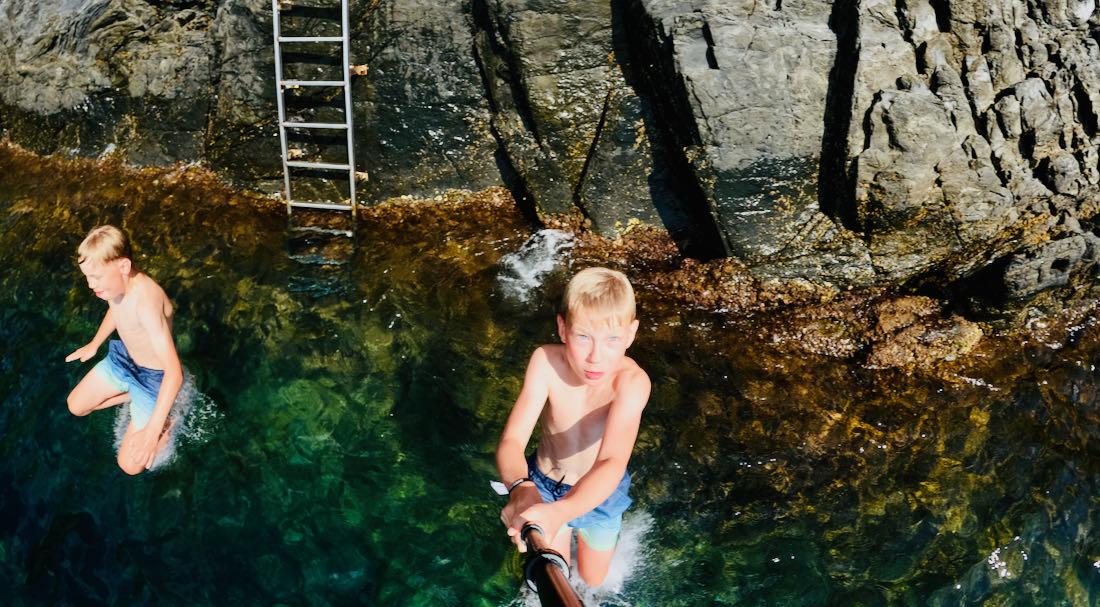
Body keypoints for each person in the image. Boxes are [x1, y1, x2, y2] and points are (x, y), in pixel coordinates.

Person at [496, 267, 650, 587]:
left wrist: (563, 511)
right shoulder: (545, 362)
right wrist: (520, 487)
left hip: (600, 493)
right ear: (562, 329)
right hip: (542, 482)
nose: (596, 357)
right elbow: (512, 440)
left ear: (631, 334)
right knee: (553, 577)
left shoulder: (631, 382)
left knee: (593, 581)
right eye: (583, 337)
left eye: (612, 340)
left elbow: (612, 462)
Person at [64, 225, 183, 475]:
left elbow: (175, 373)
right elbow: (116, 310)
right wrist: (95, 344)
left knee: (129, 466)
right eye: (86, 276)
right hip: (124, 359)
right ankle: (131, 395)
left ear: (124, 267)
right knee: (76, 406)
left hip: (154, 377)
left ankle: (167, 422)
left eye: (95, 277)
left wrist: (151, 434)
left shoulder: (147, 302)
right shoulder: (113, 286)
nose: (89, 284)